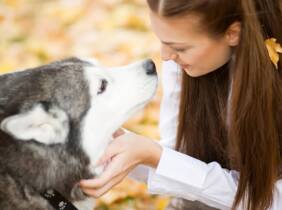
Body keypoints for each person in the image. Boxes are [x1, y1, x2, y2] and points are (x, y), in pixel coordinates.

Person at [79, 0, 282, 209]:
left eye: (180, 47)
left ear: (233, 33)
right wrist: (119, 148)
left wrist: (154, 157)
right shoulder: (182, 65)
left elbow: (272, 202)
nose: (165, 56)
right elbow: (182, 159)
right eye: (162, 41)